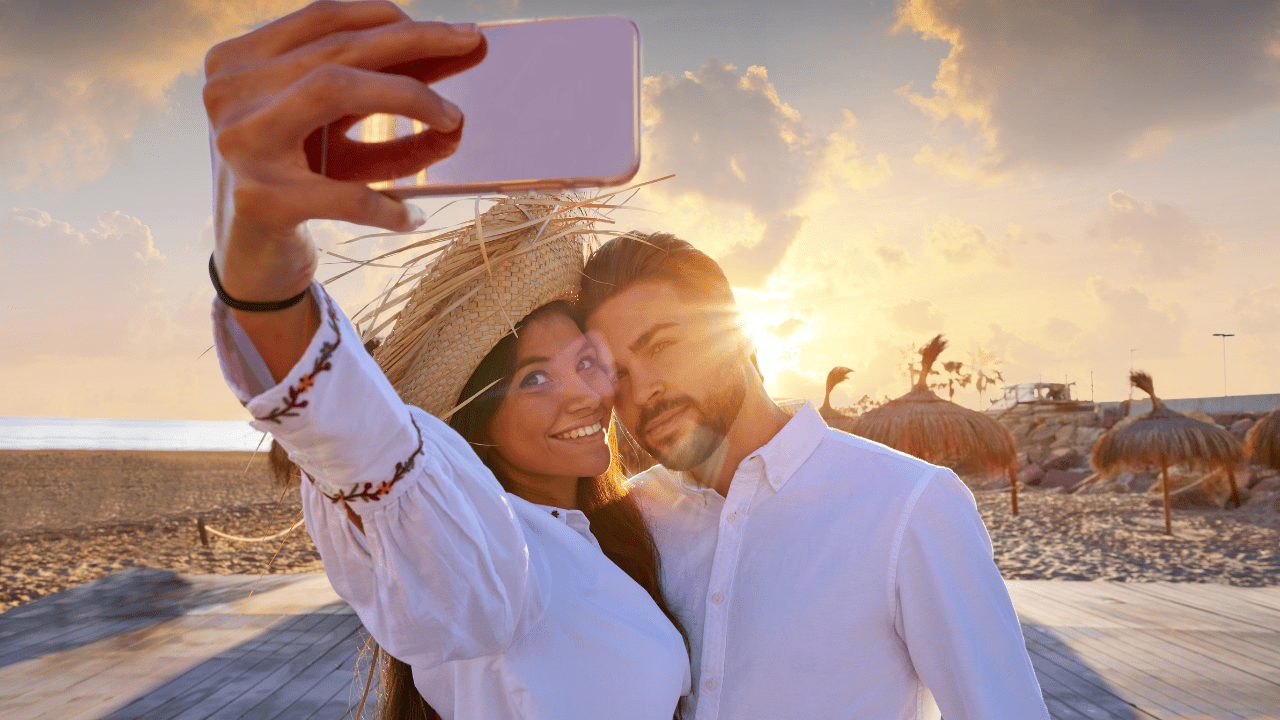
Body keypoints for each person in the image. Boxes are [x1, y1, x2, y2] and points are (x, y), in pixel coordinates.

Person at [205, 3, 689, 719]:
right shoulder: (494, 557)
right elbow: (371, 450)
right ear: (477, 424)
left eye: (585, 361)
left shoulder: (609, 536)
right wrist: (262, 273)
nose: (584, 393)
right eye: (533, 378)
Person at [579, 232, 1051, 720]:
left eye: (661, 346)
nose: (642, 394)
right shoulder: (625, 521)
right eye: (617, 374)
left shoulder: (907, 507)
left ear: (736, 338)